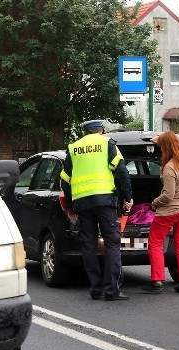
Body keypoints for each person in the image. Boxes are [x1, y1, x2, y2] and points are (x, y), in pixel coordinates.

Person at [60, 120, 133, 301]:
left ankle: (95, 289)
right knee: (112, 243)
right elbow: (122, 172)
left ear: (84, 132)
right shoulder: (107, 143)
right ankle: (112, 291)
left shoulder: (73, 148)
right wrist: (128, 198)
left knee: (89, 246)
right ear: (101, 131)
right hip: (104, 201)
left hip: (83, 204)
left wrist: (70, 206)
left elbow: (64, 181)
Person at [140, 131, 179, 294]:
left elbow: (168, 195)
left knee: (155, 242)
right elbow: (174, 142)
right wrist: (160, 139)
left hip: (170, 211)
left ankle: (157, 281)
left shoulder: (169, 168)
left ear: (164, 148)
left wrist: (154, 204)